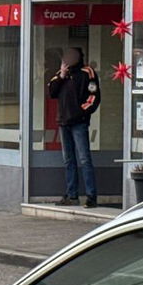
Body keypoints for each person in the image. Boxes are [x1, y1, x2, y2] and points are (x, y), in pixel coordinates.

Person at [47, 46, 100, 208]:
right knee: (68, 160)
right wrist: (62, 75)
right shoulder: (61, 74)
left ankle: (91, 196)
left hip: (79, 122)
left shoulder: (88, 72)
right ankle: (72, 195)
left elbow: (94, 96)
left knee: (84, 159)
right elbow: (52, 92)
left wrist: (81, 113)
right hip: (64, 122)